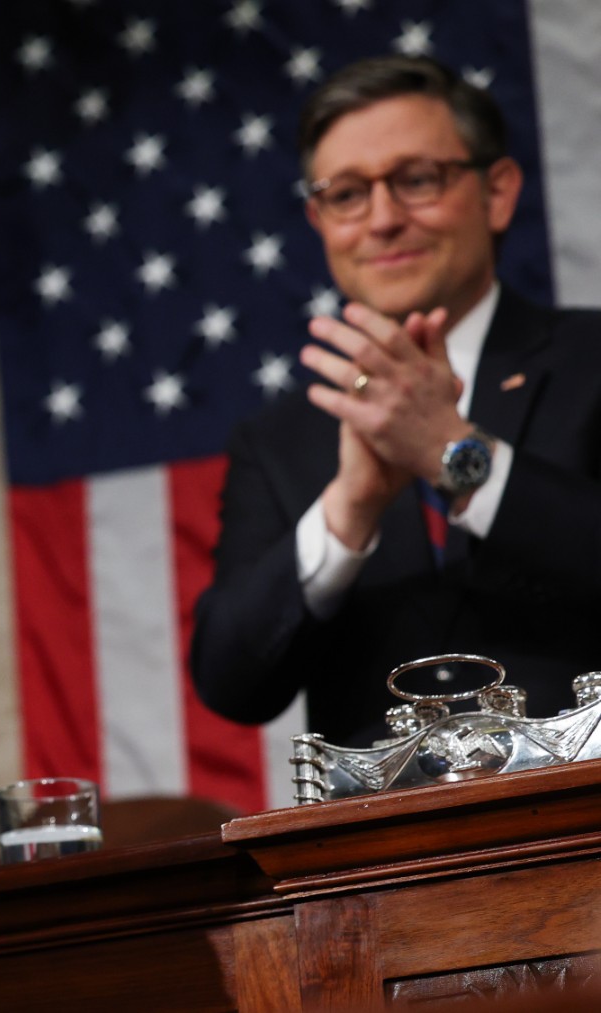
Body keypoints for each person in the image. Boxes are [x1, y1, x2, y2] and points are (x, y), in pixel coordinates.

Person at [191, 56, 601, 749]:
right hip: (383, 849)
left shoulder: (592, 358)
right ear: (319, 219)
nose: (381, 220)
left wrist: (456, 458)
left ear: (497, 192)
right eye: (347, 194)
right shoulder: (281, 438)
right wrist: (348, 508)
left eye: (416, 181)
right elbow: (231, 681)